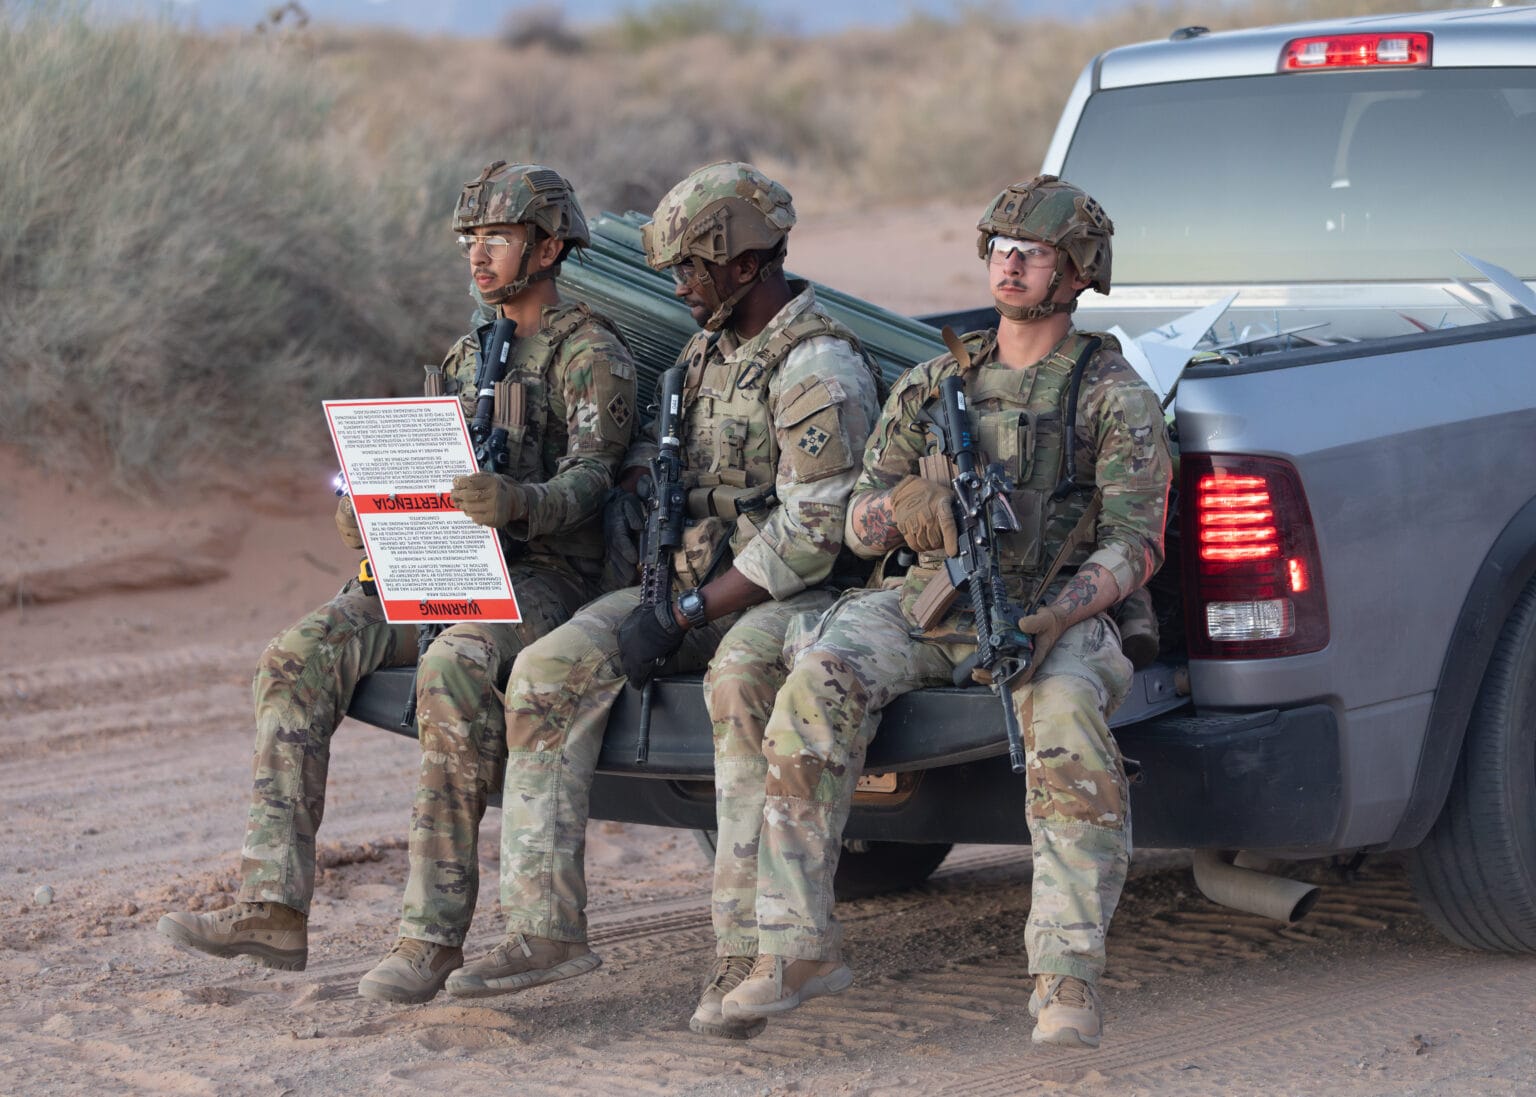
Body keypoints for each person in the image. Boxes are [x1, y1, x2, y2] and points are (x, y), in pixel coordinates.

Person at [156, 161, 637, 1005]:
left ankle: (430, 937)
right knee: (294, 657)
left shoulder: (591, 354)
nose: (477, 256)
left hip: (548, 576)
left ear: (549, 246)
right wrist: (373, 518)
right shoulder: (464, 356)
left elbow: (597, 477)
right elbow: (428, 471)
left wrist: (522, 502)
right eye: (470, 240)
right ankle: (271, 904)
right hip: (443, 565)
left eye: (497, 238)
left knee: (454, 666)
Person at [717, 175, 1172, 1051]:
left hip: (1053, 607)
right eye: (999, 249)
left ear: (1075, 275)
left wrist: (1061, 614)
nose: (1009, 265)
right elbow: (855, 517)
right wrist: (908, 511)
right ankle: (791, 946)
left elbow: (1135, 541)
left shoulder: (1112, 393)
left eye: (1031, 254)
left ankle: (1065, 973)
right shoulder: (934, 383)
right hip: (928, 599)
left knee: (1069, 716)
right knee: (815, 678)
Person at [443, 162, 882, 1042]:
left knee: (739, 683)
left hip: (779, 593)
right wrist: (645, 504)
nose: (679, 286)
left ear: (747, 264)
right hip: (682, 584)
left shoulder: (818, 364)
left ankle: (747, 950)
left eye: (693, 268)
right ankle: (544, 925)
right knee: (545, 671)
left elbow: (812, 532)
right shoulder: (700, 355)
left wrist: (688, 612)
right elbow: (656, 454)